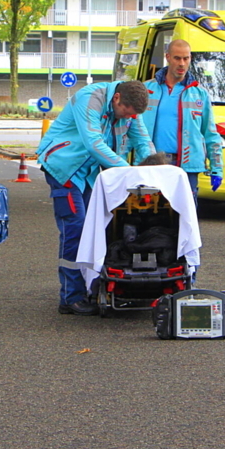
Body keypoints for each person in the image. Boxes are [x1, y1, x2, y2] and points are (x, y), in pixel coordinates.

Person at [37, 80, 155, 316]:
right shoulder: (90, 98)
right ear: (117, 98)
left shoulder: (129, 110)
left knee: (97, 228)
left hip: (89, 174)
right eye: (125, 113)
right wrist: (127, 171)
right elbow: (94, 143)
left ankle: (91, 286)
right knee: (76, 229)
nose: (126, 119)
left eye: (131, 116)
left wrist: (153, 172)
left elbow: (143, 141)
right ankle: (71, 297)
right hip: (64, 168)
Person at [140, 39, 224, 201]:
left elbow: (210, 133)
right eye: (177, 58)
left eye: (186, 58)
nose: (182, 63)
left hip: (187, 166)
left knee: (186, 218)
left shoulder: (199, 94)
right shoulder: (148, 89)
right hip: (152, 164)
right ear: (168, 57)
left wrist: (217, 168)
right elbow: (131, 129)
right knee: (152, 216)